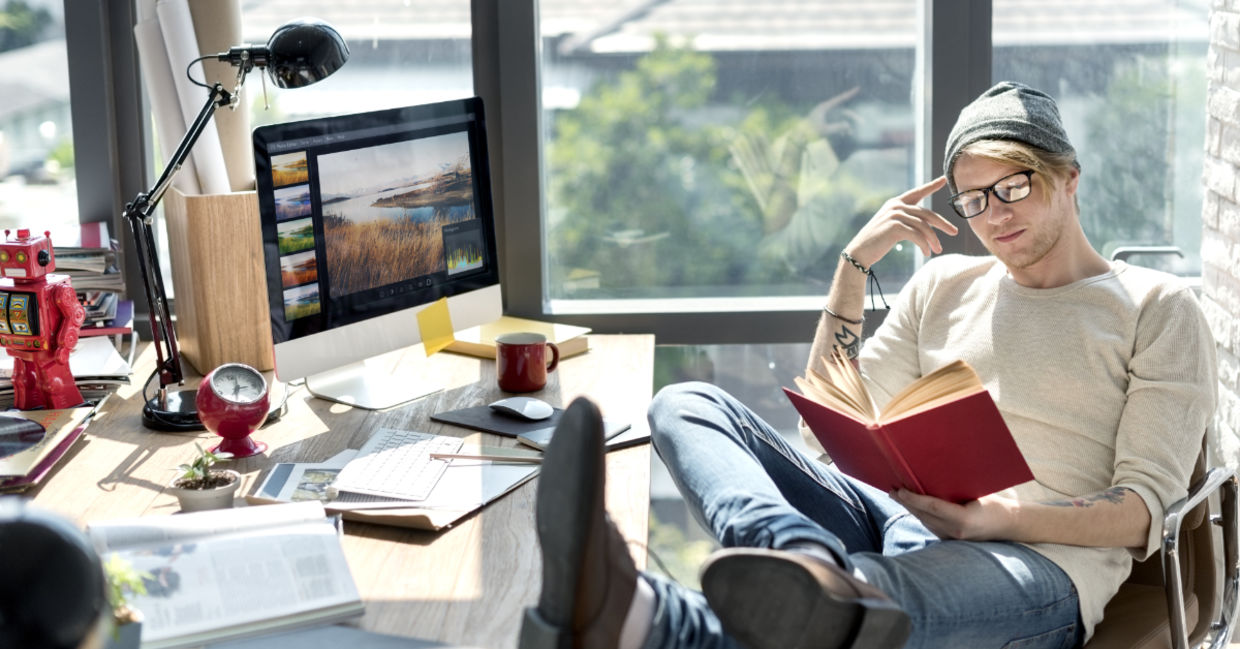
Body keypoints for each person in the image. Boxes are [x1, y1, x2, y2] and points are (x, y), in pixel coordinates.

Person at [517, 81, 1218, 649]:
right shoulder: (944, 286)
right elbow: (824, 429)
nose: (994, 215)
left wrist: (994, 519)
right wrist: (852, 271)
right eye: (973, 200)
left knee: (871, 595)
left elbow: (1141, 514)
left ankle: (655, 616)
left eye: (1015, 186)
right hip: (898, 512)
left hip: (1033, 567)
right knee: (686, 404)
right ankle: (798, 552)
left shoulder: (1154, 306)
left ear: (1069, 176)